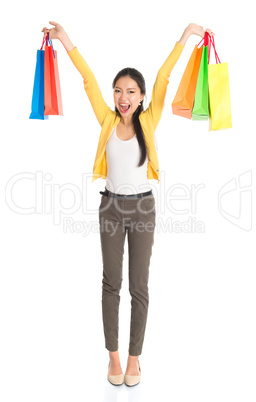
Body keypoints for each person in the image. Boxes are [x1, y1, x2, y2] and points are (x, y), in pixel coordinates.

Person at [41, 21, 214, 386]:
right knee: (110, 284)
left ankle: (135, 359)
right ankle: (113, 358)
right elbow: (87, 79)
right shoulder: (106, 119)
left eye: (131, 91)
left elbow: (165, 77)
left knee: (139, 286)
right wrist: (65, 40)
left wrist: (185, 38)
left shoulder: (148, 121)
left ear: (140, 96)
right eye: (118, 90)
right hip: (110, 208)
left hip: (143, 209)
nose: (123, 97)